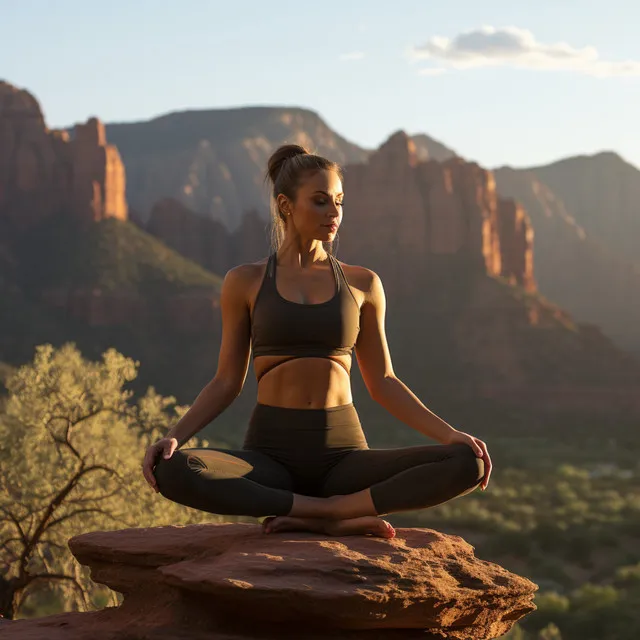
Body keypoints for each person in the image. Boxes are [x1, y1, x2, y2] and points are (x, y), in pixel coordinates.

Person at [142, 144, 491, 539]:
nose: (334, 213)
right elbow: (226, 382)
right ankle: (323, 513)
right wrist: (173, 436)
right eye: (321, 201)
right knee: (171, 470)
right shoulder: (245, 281)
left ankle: (334, 510)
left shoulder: (363, 284)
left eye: (339, 202)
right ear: (286, 205)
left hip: (344, 457)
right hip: (269, 458)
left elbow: (384, 383)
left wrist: (450, 435)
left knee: (468, 462)